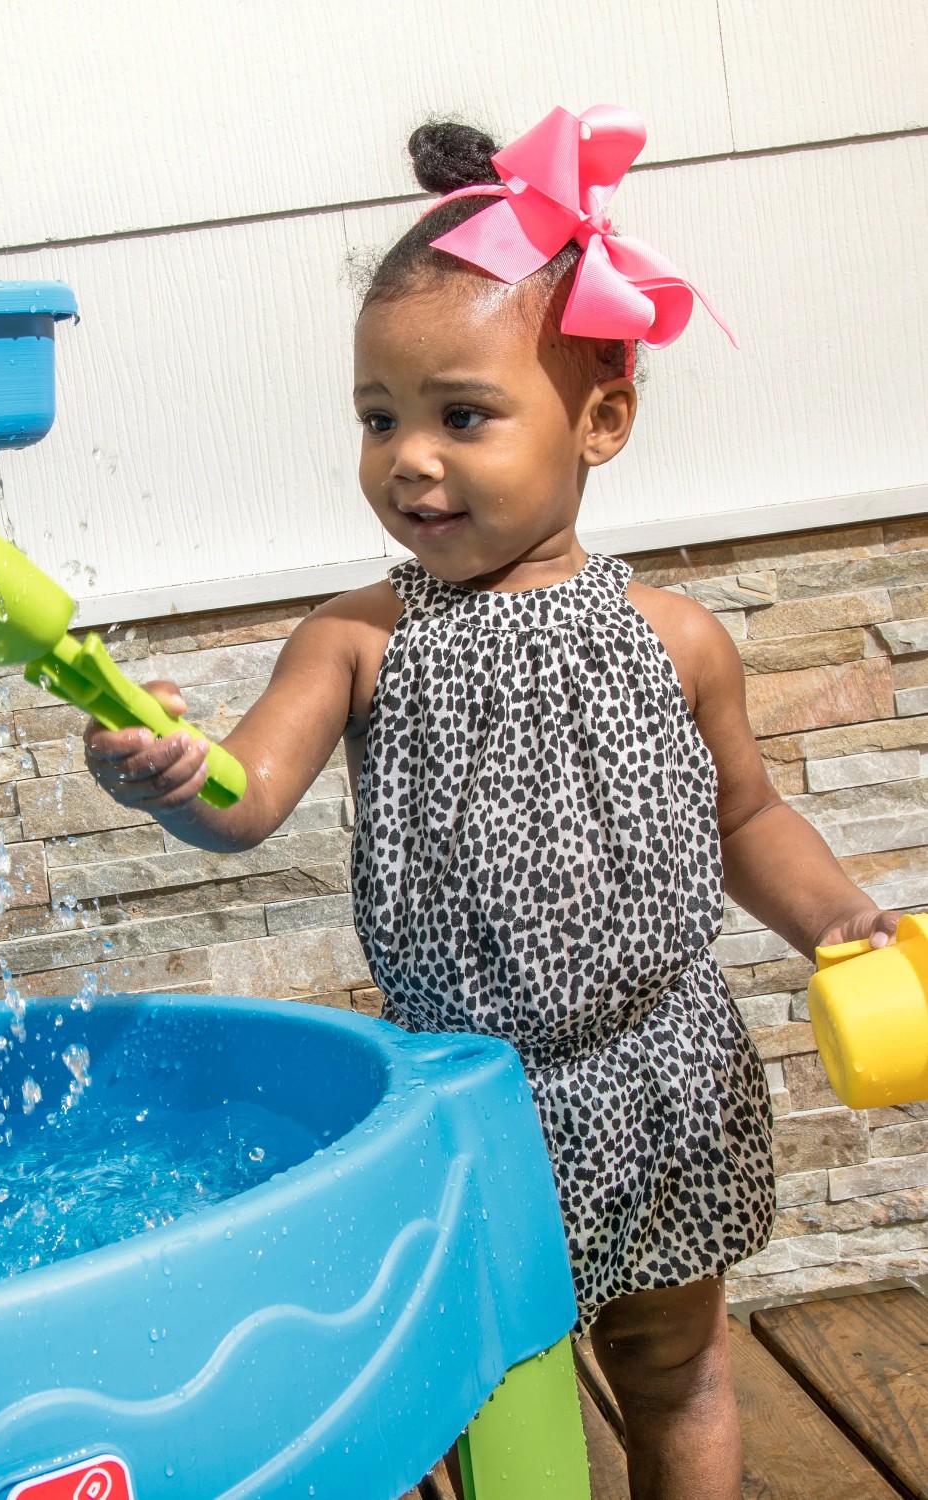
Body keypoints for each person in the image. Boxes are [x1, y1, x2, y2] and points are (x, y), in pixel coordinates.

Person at [81, 106, 899, 1500]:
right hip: (470, 1096)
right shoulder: (356, 641)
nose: (411, 457)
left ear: (601, 419)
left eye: (463, 415)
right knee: (493, 1386)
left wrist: (840, 920)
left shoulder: (676, 636)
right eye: (379, 417)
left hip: (659, 1072)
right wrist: (174, 777)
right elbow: (247, 795)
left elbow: (747, 819)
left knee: (675, 1367)